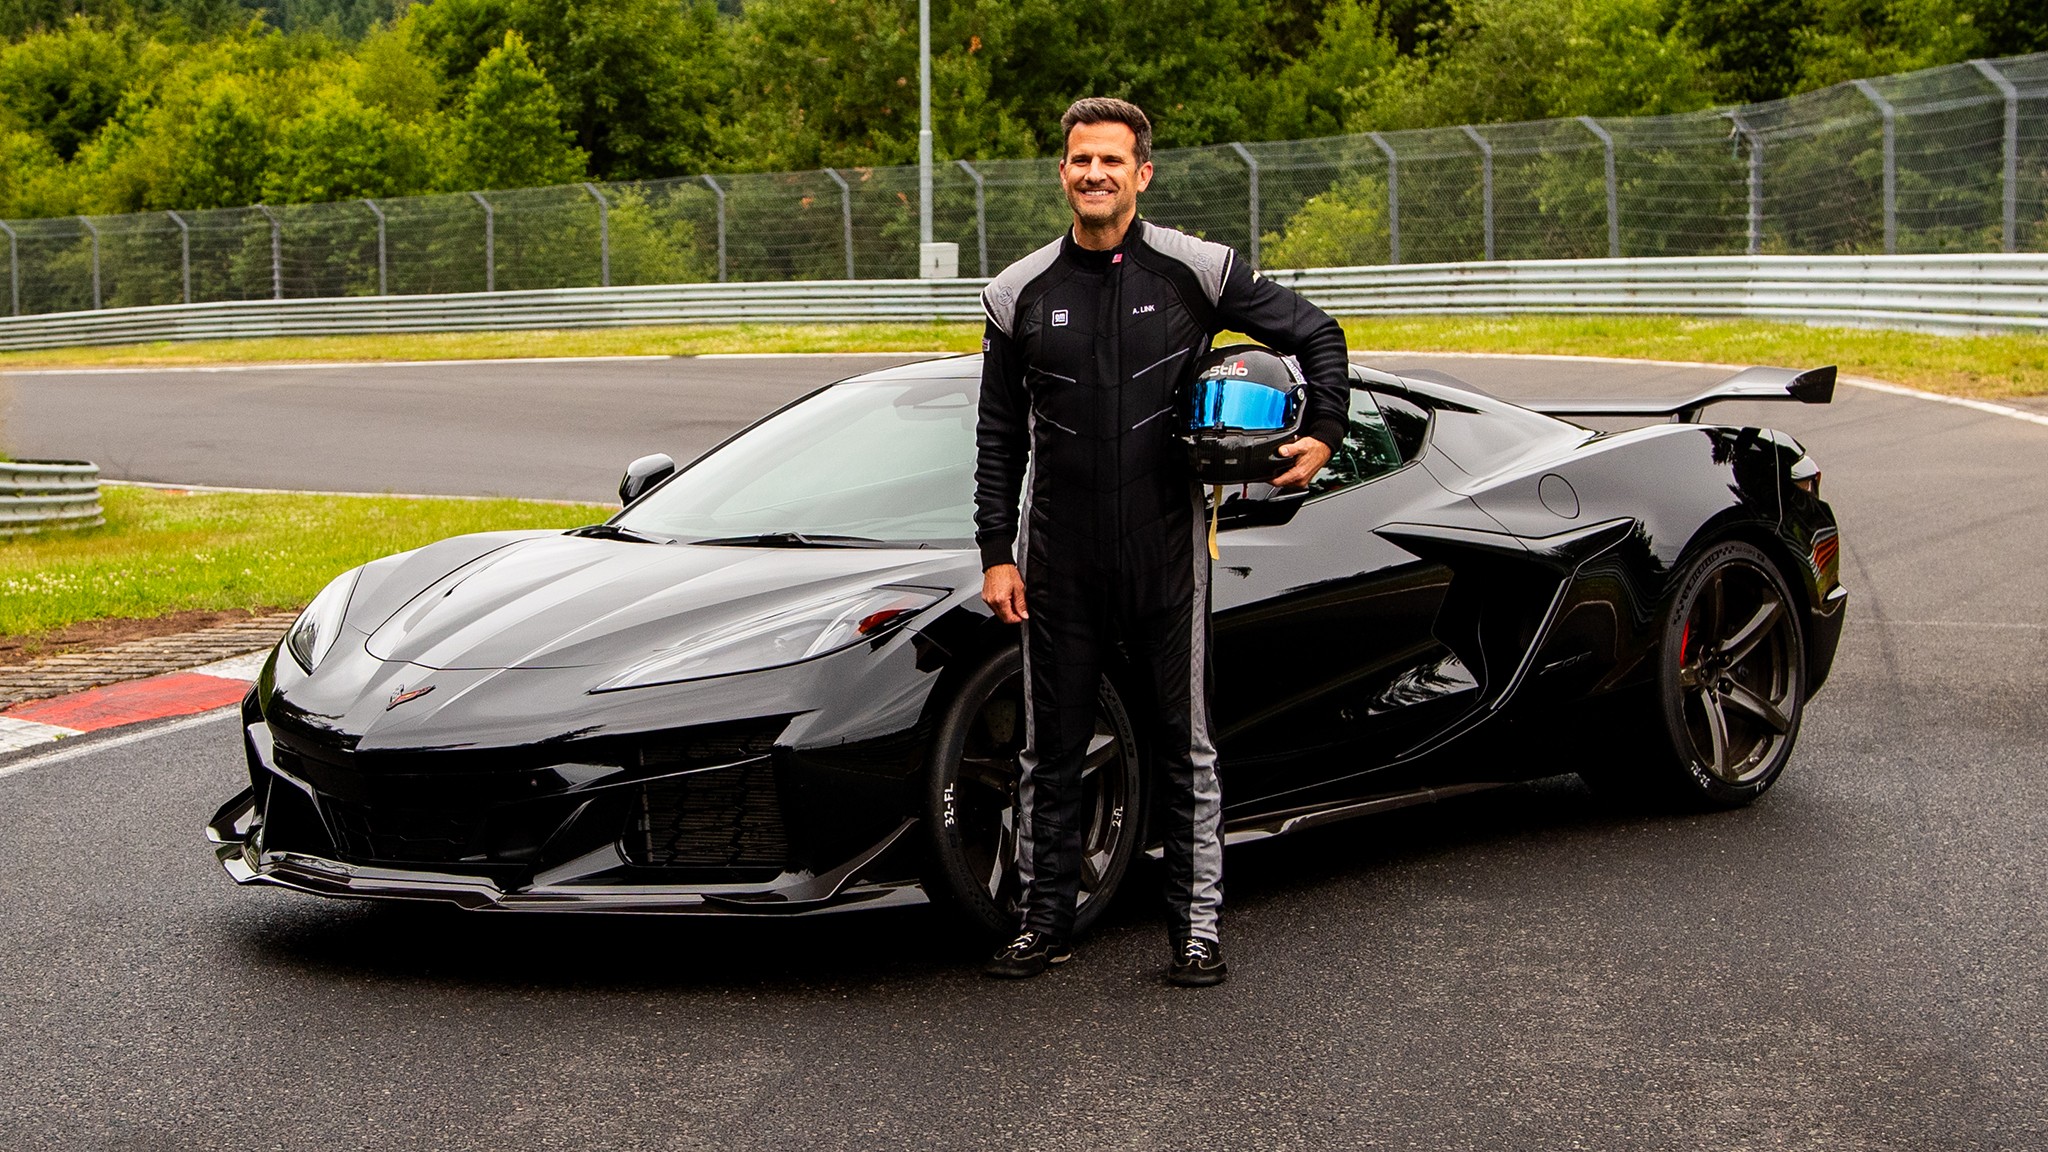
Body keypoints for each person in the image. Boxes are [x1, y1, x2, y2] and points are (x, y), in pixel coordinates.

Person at [973, 97, 1351, 986]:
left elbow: (1319, 335)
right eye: (1079, 161)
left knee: (1187, 743)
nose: (1094, 174)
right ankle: (1044, 920)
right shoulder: (1016, 293)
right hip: (1058, 554)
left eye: (1112, 160)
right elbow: (999, 437)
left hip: (1165, 548)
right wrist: (997, 551)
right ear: (1062, 173)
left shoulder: (1197, 271)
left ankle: (1197, 930)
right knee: (1049, 745)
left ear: (1142, 173)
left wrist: (1323, 434)